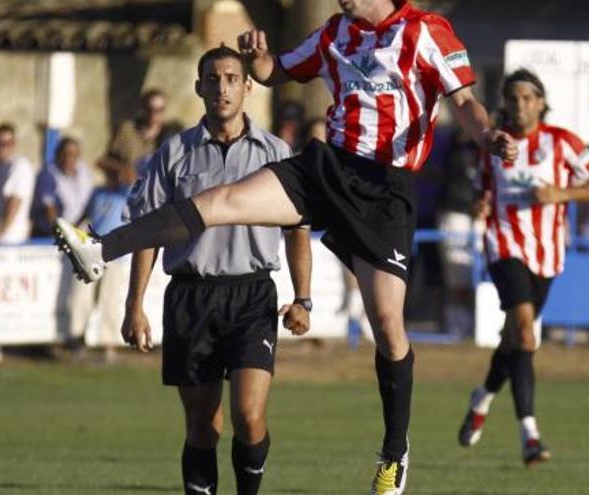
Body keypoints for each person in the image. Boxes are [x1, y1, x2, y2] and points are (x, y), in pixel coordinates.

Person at [55, 2, 518, 493]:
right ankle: (100, 248)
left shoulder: (425, 31)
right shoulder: (336, 33)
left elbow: (464, 101)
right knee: (220, 201)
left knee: (387, 324)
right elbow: (278, 72)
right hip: (328, 167)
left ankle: (394, 452)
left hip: (385, 189)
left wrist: (486, 134)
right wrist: (259, 63)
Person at [116, 45, 311, 495]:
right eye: (212, 79)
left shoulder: (276, 152)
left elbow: (297, 231)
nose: (221, 88)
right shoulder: (174, 154)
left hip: (252, 295)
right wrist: (135, 305)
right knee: (203, 426)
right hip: (191, 296)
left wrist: (303, 298)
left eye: (230, 79)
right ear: (199, 87)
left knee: (248, 415)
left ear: (247, 86)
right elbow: (148, 231)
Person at [457, 69, 589, 467]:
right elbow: (483, 188)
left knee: (516, 339)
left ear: (541, 102)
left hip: (548, 252)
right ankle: (530, 435)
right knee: (525, 332)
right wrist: (481, 204)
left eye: (528, 98)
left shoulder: (562, 143)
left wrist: (562, 193)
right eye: (514, 98)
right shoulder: (495, 144)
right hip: (504, 244)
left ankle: (483, 398)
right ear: (505, 103)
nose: (520, 105)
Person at [64, 158, 138, 360]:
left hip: (115, 253)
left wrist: (119, 168)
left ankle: (109, 346)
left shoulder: (126, 192)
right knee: (81, 298)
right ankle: (77, 341)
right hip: (91, 252)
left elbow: (131, 174)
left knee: (109, 301)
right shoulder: (98, 192)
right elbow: (84, 215)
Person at [436, 129, 480, 336]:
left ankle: (476, 324)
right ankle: (457, 325)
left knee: (480, 273)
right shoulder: (452, 145)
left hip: (480, 215)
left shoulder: (488, 146)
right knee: (457, 276)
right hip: (456, 210)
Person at [0, 123, 35, 246]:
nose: (1, 148)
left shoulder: (20, 166)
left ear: (14, 144)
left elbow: (14, 203)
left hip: (8, 241)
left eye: (6, 144)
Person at [30, 137, 92, 238]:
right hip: (55, 236)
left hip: (81, 234)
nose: (68, 158)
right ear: (57, 154)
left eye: (72, 154)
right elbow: (50, 209)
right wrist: (61, 234)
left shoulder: (83, 172)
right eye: (64, 153)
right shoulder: (48, 174)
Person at [104, 89, 168, 171]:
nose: (153, 114)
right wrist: (124, 169)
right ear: (143, 108)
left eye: (159, 110)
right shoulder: (127, 130)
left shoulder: (169, 134)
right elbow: (105, 161)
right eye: (149, 109)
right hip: (129, 182)